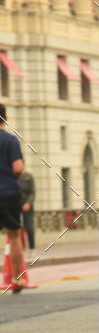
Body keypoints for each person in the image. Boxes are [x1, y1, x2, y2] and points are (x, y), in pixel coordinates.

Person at [0, 103, 26, 292]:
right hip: (9, 192)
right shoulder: (10, 140)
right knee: (13, 236)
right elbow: (17, 167)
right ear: (5, 119)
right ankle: (17, 280)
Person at [19, 161, 35, 253]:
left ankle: (32, 248)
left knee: (29, 228)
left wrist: (28, 203)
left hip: (27, 206)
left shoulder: (29, 176)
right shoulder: (14, 177)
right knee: (17, 228)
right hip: (16, 206)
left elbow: (32, 192)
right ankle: (21, 248)